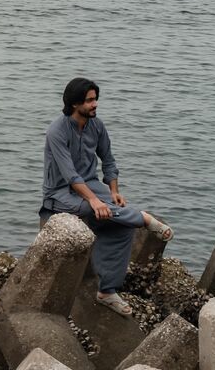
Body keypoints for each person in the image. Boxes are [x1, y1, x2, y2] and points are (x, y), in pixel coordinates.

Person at [41, 77, 173, 316]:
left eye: (95, 99)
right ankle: (142, 218)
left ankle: (107, 291)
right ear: (74, 104)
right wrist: (94, 200)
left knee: (122, 227)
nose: (95, 104)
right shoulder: (57, 132)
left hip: (91, 183)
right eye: (90, 101)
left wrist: (113, 190)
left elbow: (109, 161)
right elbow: (70, 175)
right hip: (59, 192)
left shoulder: (97, 126)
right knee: (93, 209)